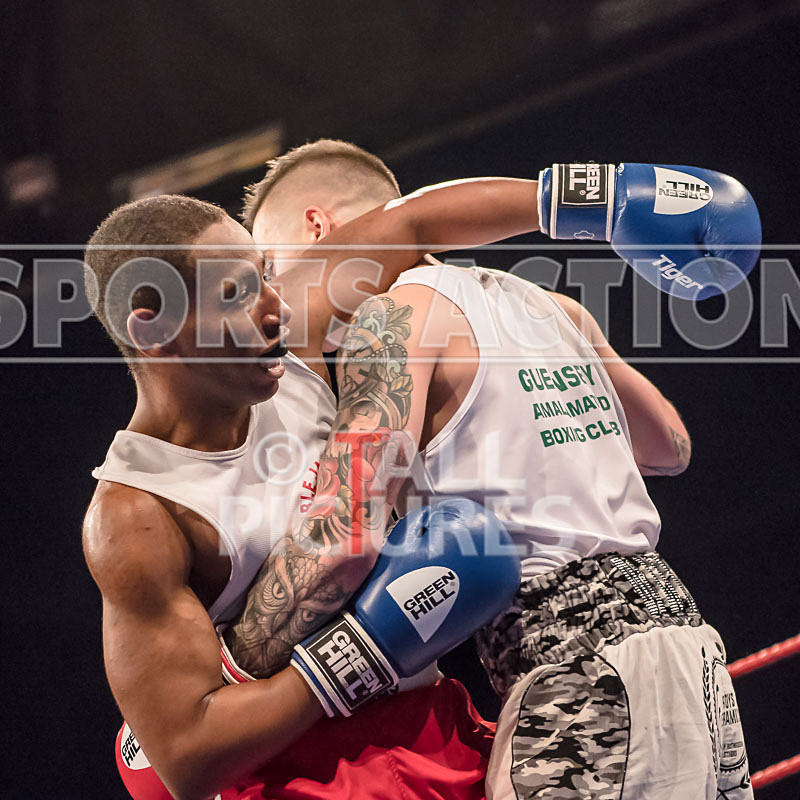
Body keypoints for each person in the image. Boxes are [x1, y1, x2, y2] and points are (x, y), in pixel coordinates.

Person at [237, 150, 758, 799]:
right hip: (690, 649)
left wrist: (233, 669)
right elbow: (669, 447)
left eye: (271, 265)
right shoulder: (553, 306)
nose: (274, 302)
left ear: (316, 229)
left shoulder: (390, 322)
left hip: (577, 672)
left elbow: (345, 530)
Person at [83, 156, 548, 800]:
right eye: (235, 295)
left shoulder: (288, 350)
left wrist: (597, 200)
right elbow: (185, 758)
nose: (276, 308)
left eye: (265, 277)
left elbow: (411, 221)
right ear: (155, 326)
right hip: (306, 775)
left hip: (437, 728)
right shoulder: (139, 514)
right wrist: (365, 649)